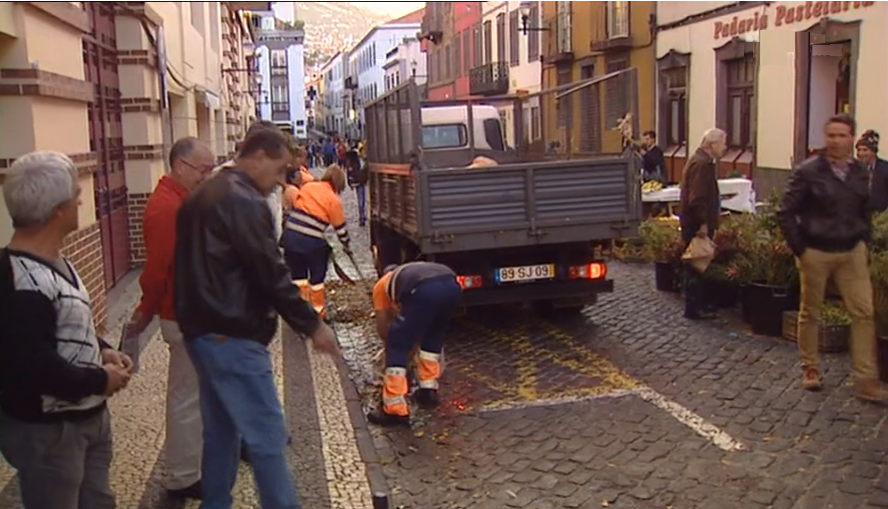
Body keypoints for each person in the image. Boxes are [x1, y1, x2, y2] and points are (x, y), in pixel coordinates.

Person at [175, 127, 340, 509]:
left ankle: (215, 503)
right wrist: (312, 324)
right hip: (233, 332)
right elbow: (269, 271)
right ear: (260, 156)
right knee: (267, 436)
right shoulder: (244, 200)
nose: (281, 181)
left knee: (221, 432)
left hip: (203, 332)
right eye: (281, 169)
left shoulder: (203, 194)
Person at [0, 151, 133, 509]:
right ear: (58, 210)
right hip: (50, 431)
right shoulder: (20, 281)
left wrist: (102, 348)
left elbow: (67, 323)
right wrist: (100, 381)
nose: (80, 201)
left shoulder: (58, 260)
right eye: (75, 195)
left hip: (86, 417)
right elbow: (34, 365)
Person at [125, 137, 215, 500]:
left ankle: (197, 461)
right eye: (202, 170)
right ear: (180, 166)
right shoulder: (167, 208)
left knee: (196, 393)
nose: (207, 176)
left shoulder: (181, 200)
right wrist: (146, 310)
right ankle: (181, 476)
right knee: (185, 398)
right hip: (183, 315)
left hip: (197, 311)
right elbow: (157, 270)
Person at [778, 114, 886, 400]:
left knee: (864, 313)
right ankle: (810, 368)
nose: (837, 141)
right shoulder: (809, 171)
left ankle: (867, 379)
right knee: (810, 311)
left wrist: (864, 239)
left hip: (851, 251)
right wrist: (801, 248)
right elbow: (786, 211)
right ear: (826, 138)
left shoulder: (860, 172)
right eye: (832, 135)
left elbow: (865, 208)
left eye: (842, 135)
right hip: (816, 250)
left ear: (852, 138)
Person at [368, 262, 462, 427]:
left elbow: (383, 327)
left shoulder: (381, 286)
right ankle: (428, 391)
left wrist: (394, 349)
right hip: (451, 285)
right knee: (433, 337)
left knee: (397, 343)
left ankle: (394, 409)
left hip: (425, 290)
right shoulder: (408, 276)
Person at [279, 164, 351, 320]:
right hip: (311, 243)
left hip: (291, 238)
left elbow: (297, 205)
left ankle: (300, 312)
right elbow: (341, 229)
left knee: (298, 277)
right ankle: (318, 314)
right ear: (339, 183)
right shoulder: (333, 200)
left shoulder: (308, 187)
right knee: (316, 279)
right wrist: (346, 244)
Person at [678, 128, 725, 320]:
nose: (725, 147)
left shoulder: (700, 161)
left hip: (694, 222)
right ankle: (694, 307)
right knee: (697, 263)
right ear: (712, 144)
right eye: (723, 143)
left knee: (697, 264)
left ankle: (697, 304)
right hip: (696, 225)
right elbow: (697, 198)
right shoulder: (702, 164)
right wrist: (703, 223)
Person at [214, 120, 286, 242]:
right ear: (259, 155)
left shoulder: (273, 182)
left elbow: (275, 229)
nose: (281, 181)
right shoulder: (218, 179)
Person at [856, 130, 888, 213]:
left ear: (873, 152)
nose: (860, 153)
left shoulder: (885, 169)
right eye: (858, 150)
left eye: (865, 150)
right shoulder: (854, 170)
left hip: (882, 218)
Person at [345, 149, 369, 226]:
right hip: (359, 183)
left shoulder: (358, 162)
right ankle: (362, 217)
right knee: (361, 201)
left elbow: (349, 174)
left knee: (362, 200)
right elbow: (349, 173)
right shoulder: (356, 162)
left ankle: (363, 216)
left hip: (361, 182)